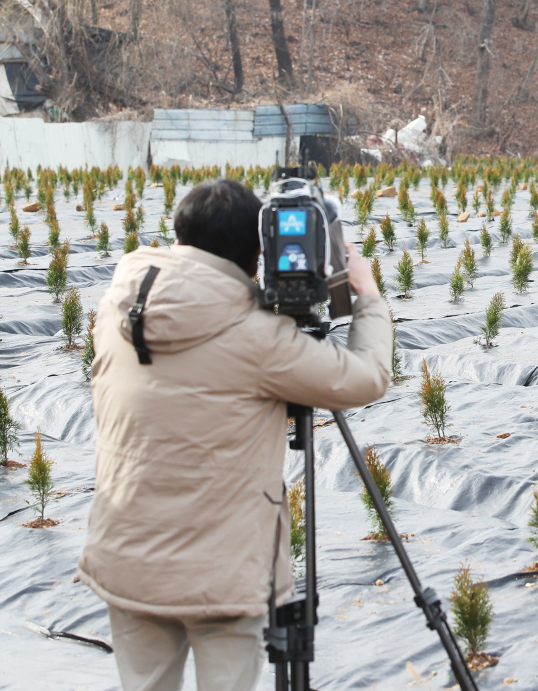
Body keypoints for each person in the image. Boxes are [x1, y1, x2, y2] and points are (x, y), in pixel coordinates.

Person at [76, 179, 392, 691]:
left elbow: (193, 395)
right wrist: (366, 294)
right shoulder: (259, 339)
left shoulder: (120, 302)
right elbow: (366, 377)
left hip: (126, 556)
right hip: (222, 577)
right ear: (256, 252)